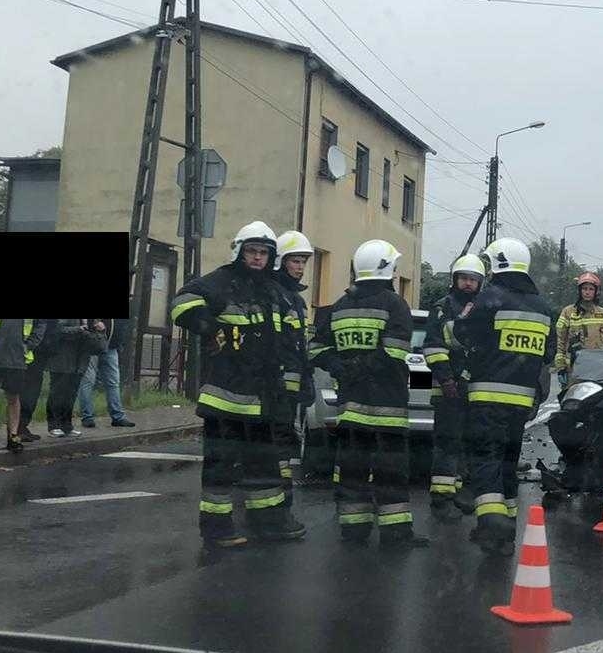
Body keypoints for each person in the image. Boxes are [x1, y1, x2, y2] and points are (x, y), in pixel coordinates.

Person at [171, 220, 304, 549]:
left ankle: (269, 522)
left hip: (263, 399)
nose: (257, 257)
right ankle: (216, 529)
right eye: (252, 251)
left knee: (264, 464)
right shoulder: (221, 281)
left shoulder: (274, 291)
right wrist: (210, 326)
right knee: (221, 466)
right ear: (239, 252)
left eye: (263, 253)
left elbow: (290, 336)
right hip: (225, 398)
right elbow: (182, 303)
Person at [311, 239, 425, 549]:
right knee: (392, 471)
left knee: (353, 470)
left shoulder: (340, 306)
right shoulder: (394, 304)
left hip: (350, 409)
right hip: (388, 408)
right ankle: (395, 533)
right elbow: (395, 352)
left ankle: (354, 529)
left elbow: (316, 349)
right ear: (386, 269)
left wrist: (342, 367)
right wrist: (359, 368)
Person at [457, 237, 556, 556]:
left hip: (488, 395)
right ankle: (505, 533)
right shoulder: (543, 307)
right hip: (523, 402)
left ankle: (491, 523)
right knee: (508, 462)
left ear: (498, 264)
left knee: (486, 457)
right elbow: (549, 353)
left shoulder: (490, 298)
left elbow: (463, 332)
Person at [421, 253, 484, 521]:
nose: (468, 283)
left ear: (480, 283)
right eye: (464, 278)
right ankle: (441, 500)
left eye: (473, 279)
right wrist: (447, 380)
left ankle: (458, 492)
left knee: (467, 442)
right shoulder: (442, 307)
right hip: (447, 389)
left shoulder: (483, 308)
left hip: (473, 388)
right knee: (447, 443)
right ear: (455, 280)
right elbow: (433, 347)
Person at [271, 230, 316, 508]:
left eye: (303, 262)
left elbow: (300, 345)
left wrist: (306, 377)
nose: (300, 267)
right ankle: (277, 493)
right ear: (281, 261)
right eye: (295, 261)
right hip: (275, 383)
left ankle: (282, 491)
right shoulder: (273, 294)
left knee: (287, 437)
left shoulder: (296, 300)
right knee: (277, 437)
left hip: (293, 383)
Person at [0, 319, 47, 453]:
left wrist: (30, 344)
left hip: (16, 356)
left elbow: (40, 324)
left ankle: (13, 436)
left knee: (13, 397)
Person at [553, 271, 603, 383]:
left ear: (596, 292)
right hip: (574, 368)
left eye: (591, 289)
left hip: (599, 367)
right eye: (584, 289)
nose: (587, 292)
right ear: (579, 291)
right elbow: (560, 341)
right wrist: (561, 367)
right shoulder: (568, 312)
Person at [45, 319, 106, 437]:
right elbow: (57, 330)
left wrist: (100, 331)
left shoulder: (91, 321)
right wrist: (78, 329)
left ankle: (67, 425)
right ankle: (54, 425)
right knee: (57, 393)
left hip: (79, 363)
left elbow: (99, 346)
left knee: (71, 395)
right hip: (62, 360)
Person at [78, 318, 134, 429]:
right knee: (88, 381)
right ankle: (88, 417)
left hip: (110, 346)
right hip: (93, 343)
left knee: (112, 382)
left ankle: (117, 416)